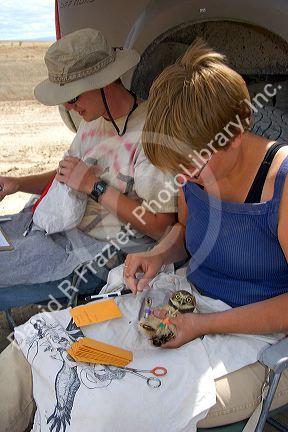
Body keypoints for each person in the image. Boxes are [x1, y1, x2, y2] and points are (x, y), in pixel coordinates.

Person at [123, 39, 288, 426]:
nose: (183, 178)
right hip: (193, 311)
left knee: (131, 399)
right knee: (71, 356)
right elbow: (184, 227)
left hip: (262, 344)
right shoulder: (194, 168)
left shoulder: (282, 183)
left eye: (191, 167)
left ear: (233, 134)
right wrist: (159, 254)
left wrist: (202, 325)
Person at [0, 28, 177, 308]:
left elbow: (163, 229)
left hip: (98, 251)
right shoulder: (94, 121)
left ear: (104, 83)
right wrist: (19, 184)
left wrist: (96, 187)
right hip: (59, 232)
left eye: (73, 97)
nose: (69, 107)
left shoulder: (151, 135)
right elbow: (68, 176)